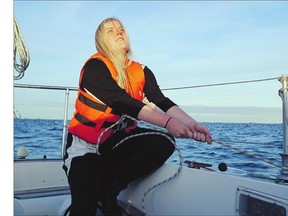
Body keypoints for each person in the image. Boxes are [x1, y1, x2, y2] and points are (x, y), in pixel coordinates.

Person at [63, 17, 212, 216]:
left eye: (121, 28)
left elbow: (161, 101)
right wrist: (169, 122)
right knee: (83, 210)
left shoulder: (141, 71)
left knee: (164, 140)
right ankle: (98, 191)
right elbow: (120, 100)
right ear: (101, 41)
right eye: (110, 31)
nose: (118, 32)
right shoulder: (95, 67)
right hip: (85, 149)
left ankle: (109, 188)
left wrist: (192, 125)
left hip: (117, 142)